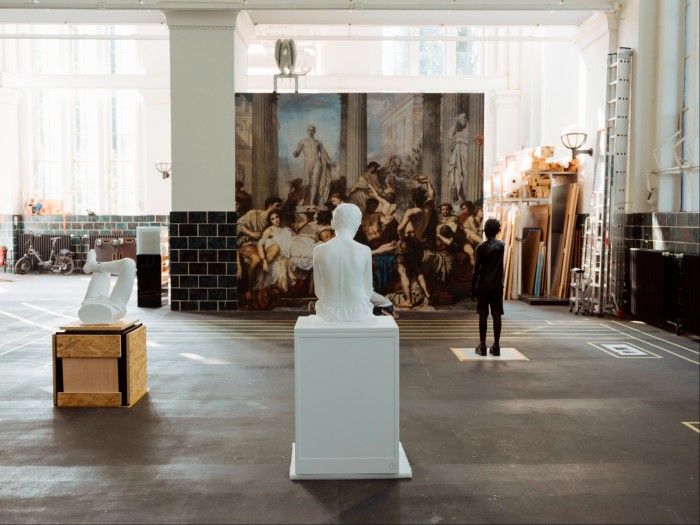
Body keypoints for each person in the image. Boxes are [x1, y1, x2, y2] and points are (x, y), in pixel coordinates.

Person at [311, 203, 374, 323]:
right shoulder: (365, 250)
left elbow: (318, 291)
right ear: (358, 225)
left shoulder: (318, 250)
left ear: (333, 223)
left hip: (327, 311)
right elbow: (368, 291)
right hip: (358, 311)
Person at [471, 218, 505, 357]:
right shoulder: (501, 245)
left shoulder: (480, 248)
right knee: (497, 314)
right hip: (497, 285)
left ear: (485, 230)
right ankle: (496, 346)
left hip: (483, 285)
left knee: (483, 315)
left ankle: (483, 345)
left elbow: (476, 270)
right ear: (497, 231)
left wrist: (472, 288)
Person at [79, 249, 136, 325]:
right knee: (129, 263)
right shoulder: (114, 308)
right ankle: (94, 265)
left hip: (88, 308)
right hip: (111, 309)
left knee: (127, 264)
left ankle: (94, 265)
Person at [292, 124, 336, 206]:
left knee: (315, 183)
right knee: (307, 183)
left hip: (317, 162)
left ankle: (311, 201)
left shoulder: (318, 142)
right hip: (308, 163)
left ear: (314, 131)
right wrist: (295, 153)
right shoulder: (302, 142)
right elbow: (298, 152)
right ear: (306, 131)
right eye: (309, 130)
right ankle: (304, 199)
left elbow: (324, 153)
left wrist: (330, 162)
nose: (310, 132)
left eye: (312, 130)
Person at [447, 112, 469, 202]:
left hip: (466, 155)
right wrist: (454, 124)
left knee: (464, 175)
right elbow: (449, 137)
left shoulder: (471, 130)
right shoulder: (461, 132)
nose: (459, 122)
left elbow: (471, 142)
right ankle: (460, 198)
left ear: (465, 118)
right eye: (458, 121)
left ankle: (465, 198)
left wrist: (461, 140)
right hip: (457, 157)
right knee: (457, 177)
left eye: (460, 120)